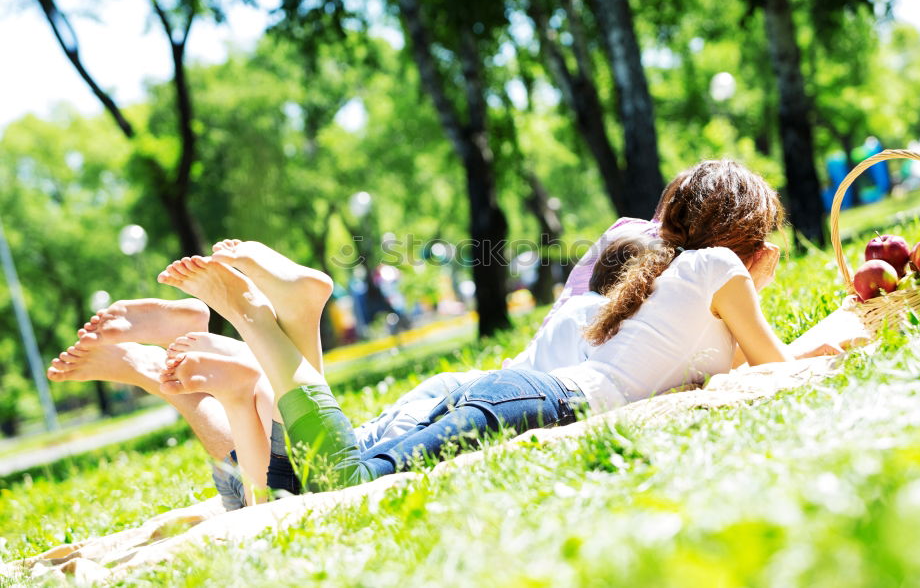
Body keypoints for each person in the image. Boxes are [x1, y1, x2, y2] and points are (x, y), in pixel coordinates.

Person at [155, 160, 841, 494]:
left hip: (516, 391)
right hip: (538, 401)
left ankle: (286, 329)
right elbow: (778, 368)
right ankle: (258, 321)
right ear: (755, 246)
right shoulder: (719, 269)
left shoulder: (657, 283)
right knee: (351, 478)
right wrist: (835, 330)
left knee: (314, 480)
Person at [48, 235, 658, 508]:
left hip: (463, 392)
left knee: (285, 485)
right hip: (489, 398)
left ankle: (214, 357)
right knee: (303, 480)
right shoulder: (627, 314)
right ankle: (250, 342)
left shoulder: (582, 308)